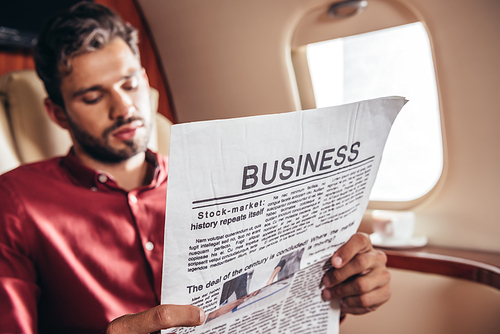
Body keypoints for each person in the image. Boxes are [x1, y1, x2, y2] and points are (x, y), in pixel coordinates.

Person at [0, 2, 391, 333]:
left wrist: (339, 289)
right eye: (92, 96)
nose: (124, 109)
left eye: (130, 83)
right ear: (57, 114)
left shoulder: (212, 181)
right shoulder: (16, 202)